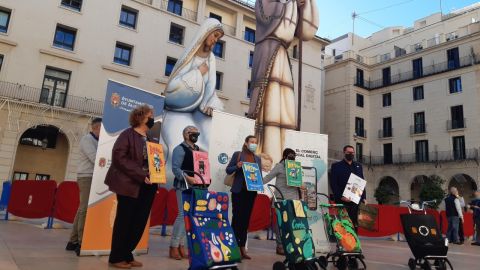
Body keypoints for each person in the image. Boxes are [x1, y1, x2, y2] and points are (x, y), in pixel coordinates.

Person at [247, 0, 319, 162]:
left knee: (284, 108)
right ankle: (266, 152)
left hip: (281, 54)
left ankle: (281, 156)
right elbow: (267, 17)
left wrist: (305, 4)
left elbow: (305, 32)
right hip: (268, 50)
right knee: (269, 102)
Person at [161, 18, 224, 181]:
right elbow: (172, 86)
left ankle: (202, 180)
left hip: (200, 108)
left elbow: (211, 85)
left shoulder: (211, 58)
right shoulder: (190, 55)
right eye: (215, 35)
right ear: (206, 33)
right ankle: (173, 181)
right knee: (176, 138)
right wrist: (198, 72)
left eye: (218, 38)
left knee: (210, 138)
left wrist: (209, 103)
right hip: (179, 109)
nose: (215, 40)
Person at [104, 105, 158, 269]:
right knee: (124, 221)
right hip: (129, 185)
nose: (152, 118)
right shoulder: (127, 135)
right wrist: (142, 175)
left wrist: (157, 176)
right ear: (141, 117)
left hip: (147, 186)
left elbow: (154, 162)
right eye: (150, 115)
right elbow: (119, 158)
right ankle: (116, 257)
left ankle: (127, 253)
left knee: (139, 222)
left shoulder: (149, 138)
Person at [66, 117, 102, 256]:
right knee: (85, 209)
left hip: (92, 176)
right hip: (86, 176)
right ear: (97, 128)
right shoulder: (88, 139)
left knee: (82, 209)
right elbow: (95, 158)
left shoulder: (97, 141)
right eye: (102, 129)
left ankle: (72, 240)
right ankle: (81, 242)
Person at [226, 135, 262, 260]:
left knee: (245, 221)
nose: (254, 144)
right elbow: (228, 170)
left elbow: (259, 176)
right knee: (237, 220)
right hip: (238, 192)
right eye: (252, 142)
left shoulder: (257, 158)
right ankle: (233, 248)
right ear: (246, 143)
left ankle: (242, 248)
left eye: (255, 142)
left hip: (251, 193)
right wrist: (237, 166)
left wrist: (259, 184)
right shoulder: (238, 154)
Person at [263, 148, 305, 255]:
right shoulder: (279, 166)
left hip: (294, 200)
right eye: (290, 156)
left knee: (293, 224)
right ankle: (280, 245)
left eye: (294, 156)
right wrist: (253, 181)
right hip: (281, 199)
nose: (292, 158)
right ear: (285, 156)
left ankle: (292, 245)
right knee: (279, 224)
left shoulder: (296, 167)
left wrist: (302, 186)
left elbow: (301, 183)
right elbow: (268, 177)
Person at [169, 125, 201, 260]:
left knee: (188, 216)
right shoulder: (179, 149)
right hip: (182, 186)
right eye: (192, 132)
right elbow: (176, 169)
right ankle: (173, 246)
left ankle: (182, 245)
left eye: (196, 132)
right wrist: (187, 177)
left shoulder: (198, 150)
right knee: (182, 215)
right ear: (186, 134)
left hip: (195, 187)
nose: (195, 134)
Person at [330, 145, 367, 232]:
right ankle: (342, 245)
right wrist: (341, 197)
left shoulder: (358, 166)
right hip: (342, 201)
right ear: (344, 153)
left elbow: (361, 182)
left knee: (355, 224)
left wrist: (364, 197)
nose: (351, 154)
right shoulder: (336, 166)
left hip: (355, 201)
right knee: (344, 224)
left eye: (352, 153)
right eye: (349, 152)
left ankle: (354, 244)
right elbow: (333, 183)